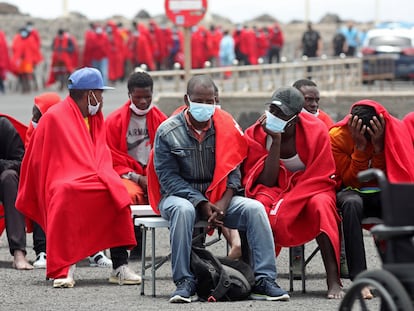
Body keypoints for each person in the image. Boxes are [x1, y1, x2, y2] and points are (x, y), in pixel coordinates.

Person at [147, 74, 290, 303]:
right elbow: (168, 178)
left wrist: (223, 202)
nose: (205, 106)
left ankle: (264, 280)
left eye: (210, 101)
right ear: (187, 99)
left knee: (254, 209)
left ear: (216, 100)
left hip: (219, 197)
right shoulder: (167, 131)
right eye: (199, 101)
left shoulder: (226, 126)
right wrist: (201, 203)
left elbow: (234, 170)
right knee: (183, 210)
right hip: (178, 196)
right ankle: (185, 281)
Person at [16, 67, 141, 288]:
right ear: (89, 94)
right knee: (67, 193)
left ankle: (120, 266)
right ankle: (65, 267)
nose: (102, 99)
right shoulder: (54, 117)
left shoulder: (94, 117)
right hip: (61, 180)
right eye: (100, 93)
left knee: (116, 192)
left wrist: (102, 174)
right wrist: (53, 178)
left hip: (92, 176)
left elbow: (100, 155)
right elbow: (34, 159)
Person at [242, 87, 344, 299]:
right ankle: (259, 276)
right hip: (274, 188)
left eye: (282, 114)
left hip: (311, 185)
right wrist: (276, 142)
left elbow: (322, 174)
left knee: (322, 206)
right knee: (257, 207)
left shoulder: (316, 130)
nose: (275, 116)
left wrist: (295, 197)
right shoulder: (256, 133)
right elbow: (265, 180)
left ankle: (333, 279)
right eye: (273, 110)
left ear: (295, 119)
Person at [329, 100, 414, 299]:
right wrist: (359, 148)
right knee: (351, 204)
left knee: (401, 201)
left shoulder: (391, 132)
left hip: (383, 189)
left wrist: (377, 148)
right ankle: (360, 279)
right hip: (351, 191)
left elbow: (394, 174)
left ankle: (399, 275)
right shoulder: (337, 137)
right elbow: (351, 180)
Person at [26, 92, 112, 269]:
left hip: (72, 173)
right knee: (44, 198)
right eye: (34, 113)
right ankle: (43, 251)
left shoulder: (76, 121)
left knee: (96, 193)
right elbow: (31, 160)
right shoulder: (36, 128)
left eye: (37, 113)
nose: (34, 117)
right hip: (48, 178)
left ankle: (95, 251)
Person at [105, 70, 167, 259]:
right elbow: (110, 156)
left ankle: (187, 249)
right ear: (129, 95)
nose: (143, 102)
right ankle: (132, 244)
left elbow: (168, 155)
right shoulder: (113, 122)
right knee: (127, 195)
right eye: (138, 97)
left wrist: (153, 177)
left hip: (155, 175)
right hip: (127, 175)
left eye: (147, 97)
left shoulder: (163, 121)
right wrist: (137, 177)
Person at [0, 114, 32, 270]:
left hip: (2, 180)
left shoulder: (3, 126)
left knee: (10, 178)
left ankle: (19, 254)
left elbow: (21, 162)